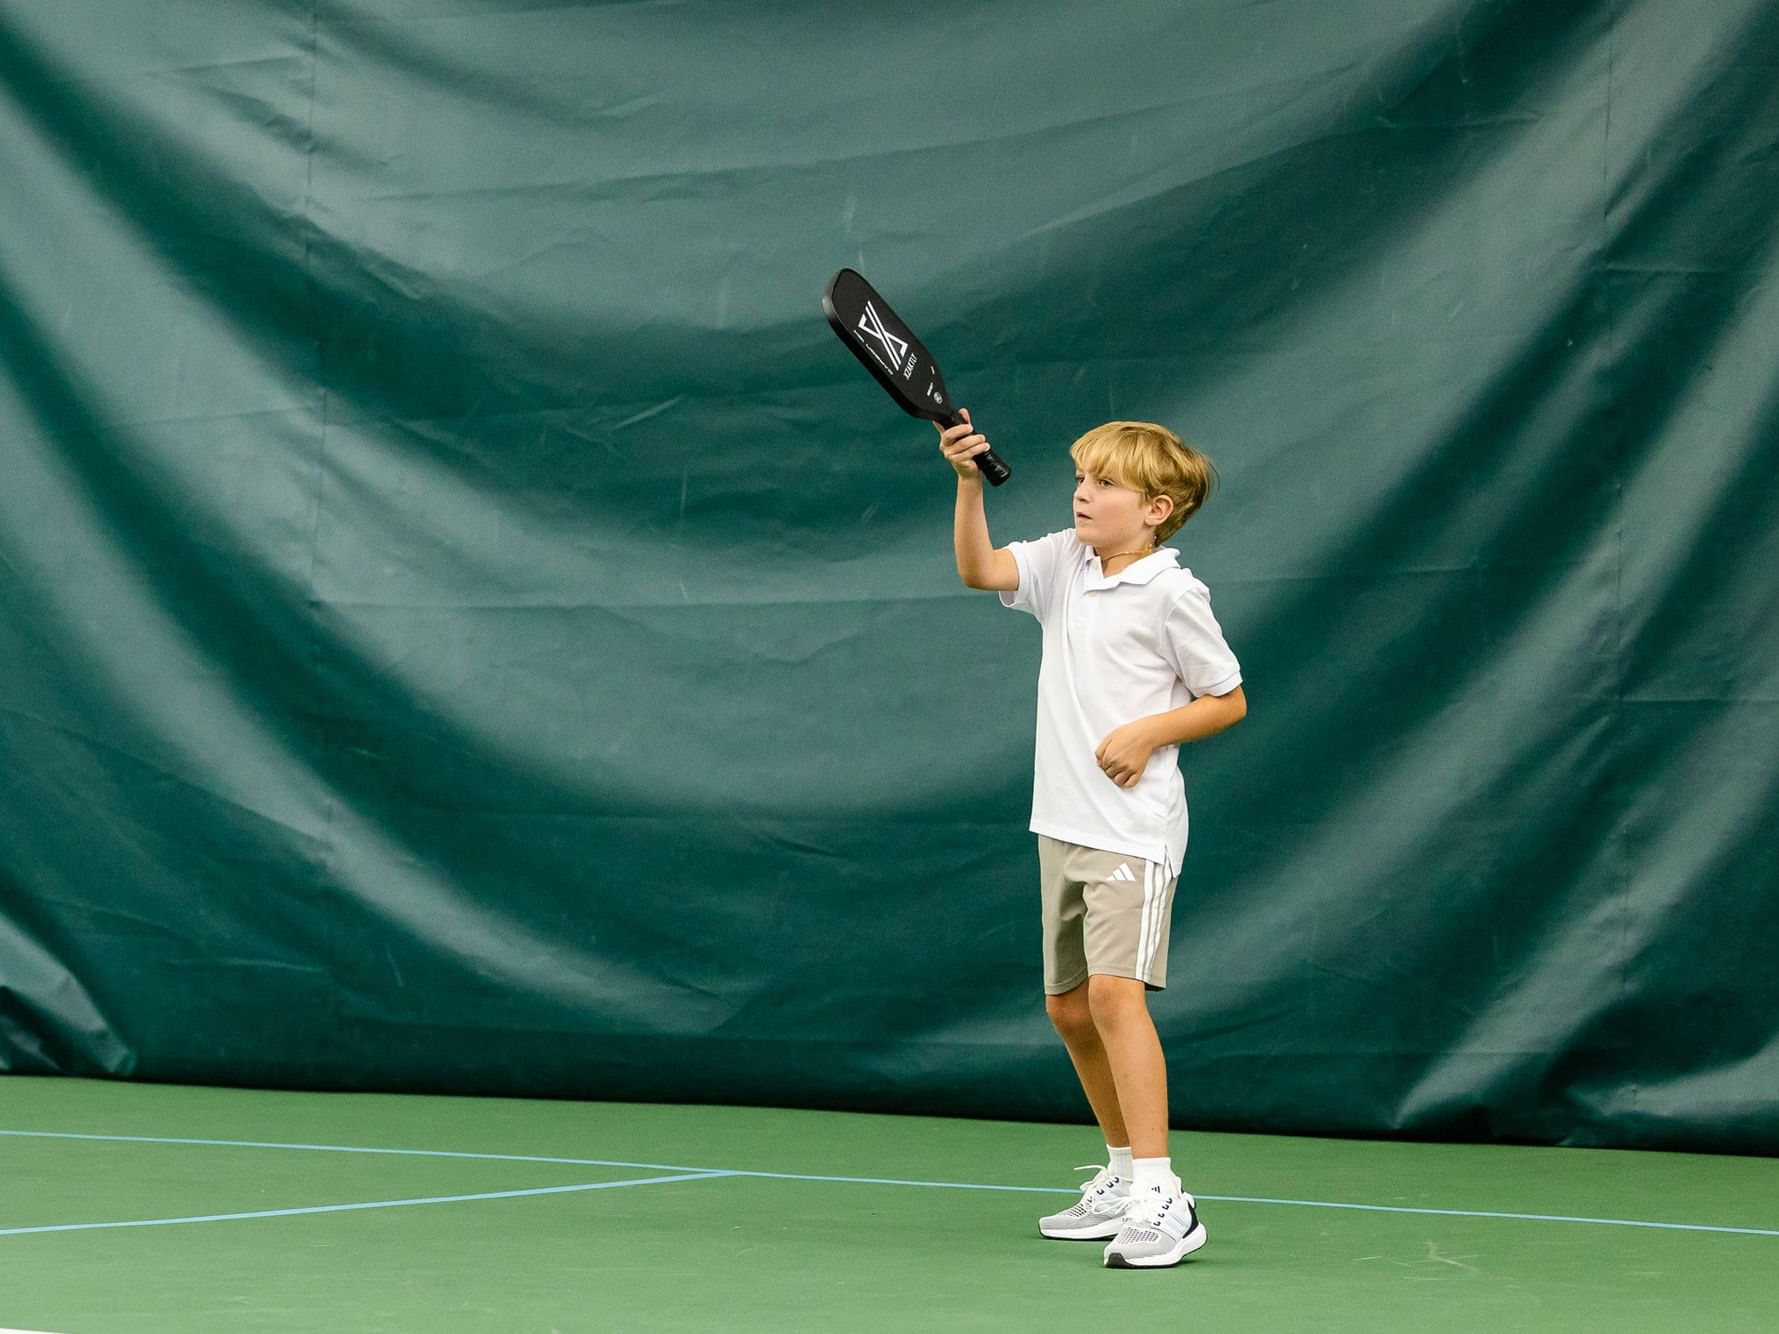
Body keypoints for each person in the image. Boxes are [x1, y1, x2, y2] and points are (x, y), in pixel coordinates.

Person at [937, 410, 1247, 1269]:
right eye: (1081, 476)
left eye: (1104, 482)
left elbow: (1226, 698)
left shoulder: (1173, 592)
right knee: (1068, 1008)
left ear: (1156, 509)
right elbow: (976, 567)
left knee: (1116, 998)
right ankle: (1116, 1178)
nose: (1082, 491)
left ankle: (1161, 1195)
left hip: (1132, 832)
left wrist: (1149, 732)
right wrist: (968, 481)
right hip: (1060, 823)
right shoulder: (1063, 564)